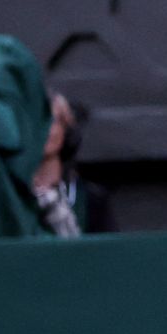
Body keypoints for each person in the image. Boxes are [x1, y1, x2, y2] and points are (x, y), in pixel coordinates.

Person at [31, 92, 117, 236]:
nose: (46, 129)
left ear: (66, 129)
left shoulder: (89, 199)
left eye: (54, 121)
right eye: (39, 121)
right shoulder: (12, 198)